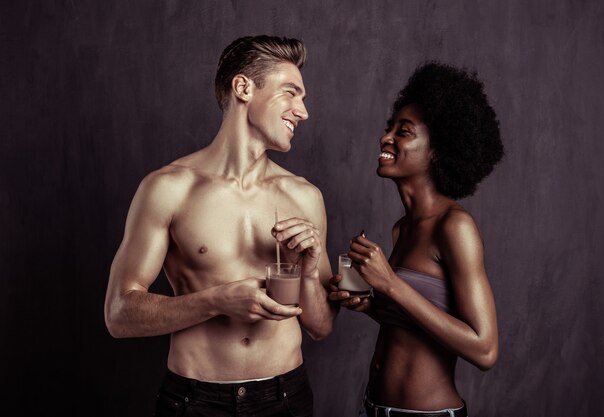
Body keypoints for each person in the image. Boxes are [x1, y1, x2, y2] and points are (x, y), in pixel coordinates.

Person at [104, 35, 335, 417]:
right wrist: (216, 301)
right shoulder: (169, 188)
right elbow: (118, 314)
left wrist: (309, 273)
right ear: (243, 87)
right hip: (195, 401)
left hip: (285, 398)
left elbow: (321, 327)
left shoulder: (305, 197)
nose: (303, 111)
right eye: (291, 93)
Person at [330, 62, 503, 417]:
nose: (386, 137)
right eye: (389, 128)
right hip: (375, 408)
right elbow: (418, 325)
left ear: (436, 150)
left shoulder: (455, 226)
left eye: (403, 132)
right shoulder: (403, 227)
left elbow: (485, 350)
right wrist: (372, 307)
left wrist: (390, 283)